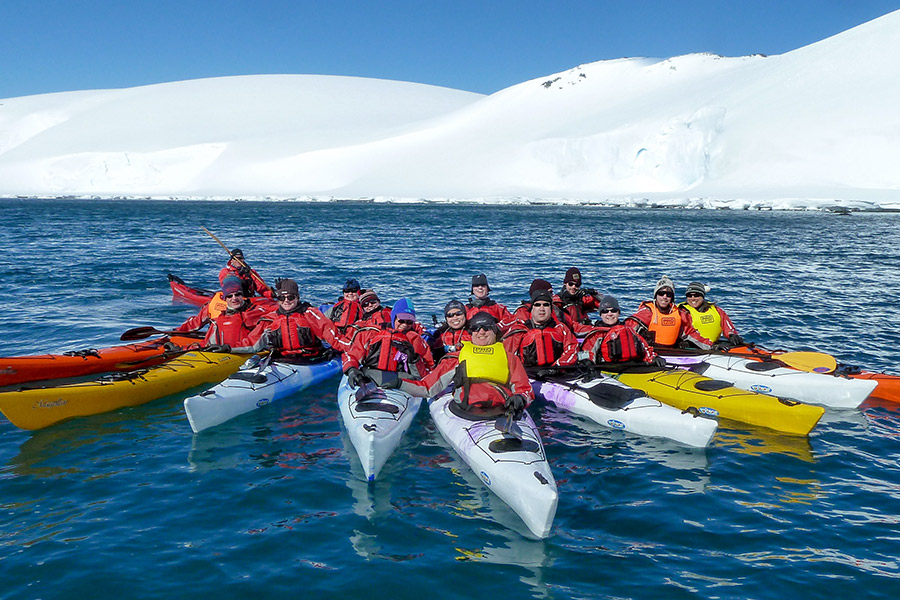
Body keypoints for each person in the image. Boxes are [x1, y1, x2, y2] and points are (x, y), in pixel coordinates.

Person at [373, 311, 534, 419]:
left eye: (487, 327)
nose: (481, 332)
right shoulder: (456, 358)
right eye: (476, 328)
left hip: (503, 413)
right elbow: (427, 388)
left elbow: (525, 390)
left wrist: (520, 398)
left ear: (494, 331)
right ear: (470, 334)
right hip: (466, 413)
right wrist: (398, 383)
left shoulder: (510, 358)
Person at [233, 279, 350, 358]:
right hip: (281, 360)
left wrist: (354, 350)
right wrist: (228, 348)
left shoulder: (310, 314)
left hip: (311, 359)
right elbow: (251, 342)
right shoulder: (270, 318)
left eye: (290, 297)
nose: (286, 301)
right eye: (282, 298)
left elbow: (334, 338)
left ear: (297, 298)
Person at [343, 297, 435, 385]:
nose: (405, 325)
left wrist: (414, 358)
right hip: (371, 377)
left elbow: (427, 369)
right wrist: (351, 369)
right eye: (401, 321)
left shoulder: (416, 339)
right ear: (393, 317)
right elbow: (351, 354)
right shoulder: (371, 333)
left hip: (402, 381)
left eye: (409, 322)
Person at [626, 276, 713, 350]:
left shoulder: (679, 314)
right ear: (656, 295)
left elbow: (691, 334)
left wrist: (711, 346)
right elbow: (626, 331)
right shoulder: (647, 312)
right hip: (650, 352)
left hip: (671, 352)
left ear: (672, 297)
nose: (665, 297)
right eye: (661, 293)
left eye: (669, 294)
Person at [503, 286, 580, 368]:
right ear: (532, 309)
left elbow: (572, 350)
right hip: (528, 375)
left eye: (546, 305)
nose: (542, 309)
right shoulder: (519, 330)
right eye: (537, 305)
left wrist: (557, 367)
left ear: (551, 309)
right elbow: (507, 357)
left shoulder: (561, 328)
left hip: (558, 373)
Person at [580, 295, 659, 364]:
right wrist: (587, 363)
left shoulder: (628, 329)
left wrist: (653, 357)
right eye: (605, 311)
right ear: (601, 315)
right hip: (606, 369)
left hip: (630, 366)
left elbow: (644, 346)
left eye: (613, 311)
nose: (609, 314)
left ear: (618, 313)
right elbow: (587, 352)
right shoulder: (596, 334)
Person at [198, 276, 271, 350]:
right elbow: (207, 343)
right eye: (230, 296)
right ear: (225, 299)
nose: (234, 298)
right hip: (224, 354)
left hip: (248, 354)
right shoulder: (218, 320)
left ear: (242, 295)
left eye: (237, 294)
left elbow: (254, 342)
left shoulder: (256, 312)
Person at [678, 282, 744, 346]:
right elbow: (688, 332)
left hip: (712, 346)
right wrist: (710, 345)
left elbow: (727, 326)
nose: (693, 298)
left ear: (703, 296)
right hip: (694, 346)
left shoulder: (716, 310)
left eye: (696, 295)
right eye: (689, 296)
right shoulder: (682, 311)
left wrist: (732, 335)